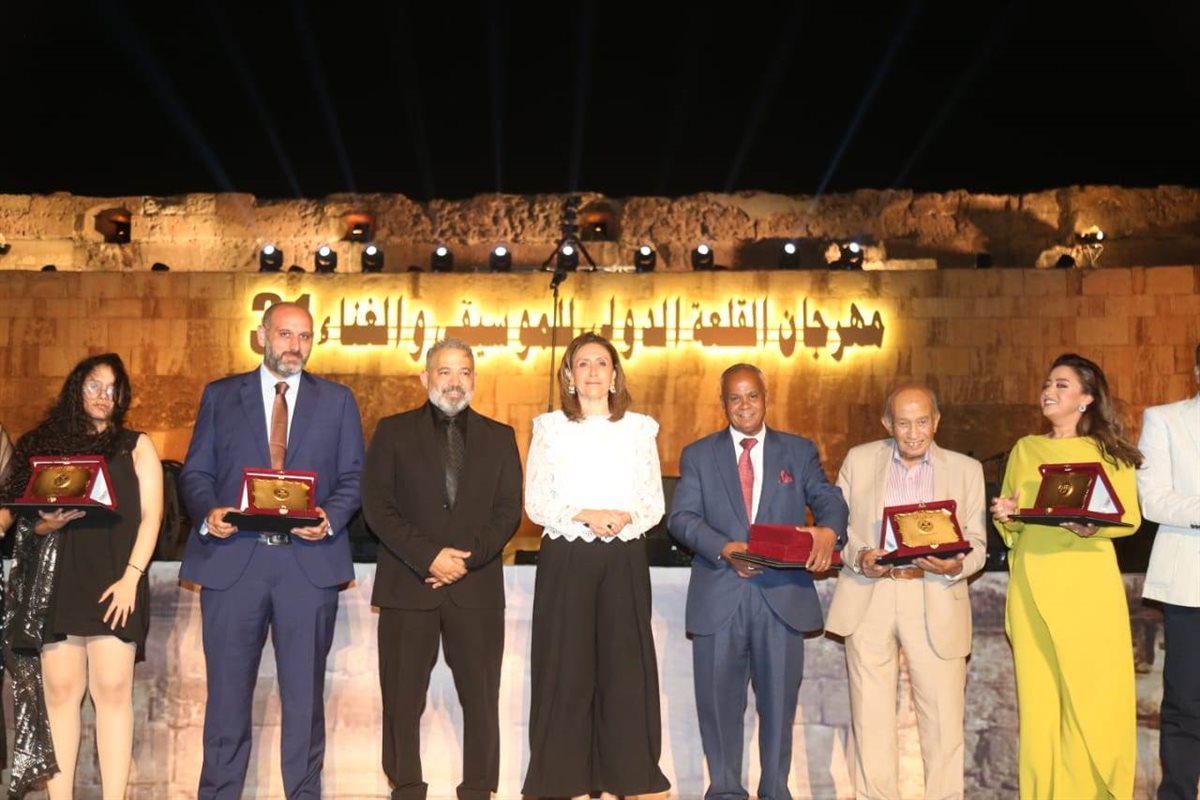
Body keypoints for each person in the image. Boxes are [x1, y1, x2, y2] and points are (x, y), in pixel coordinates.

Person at [178, 301, 364, 800]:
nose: (294, 346)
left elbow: (352, 477)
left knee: (304, 704)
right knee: (226, 703)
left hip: (306, 567)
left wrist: (329, 517)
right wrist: (208, 511)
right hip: (235, 562)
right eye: (285, 334)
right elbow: (196, 472)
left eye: (304, 336)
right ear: (261, 336)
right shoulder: (220, 396)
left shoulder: (338, 401)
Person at [668, 363, 848, 800]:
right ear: (723, 403)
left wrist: (828, 530)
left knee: (779, 708)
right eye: (735, 397)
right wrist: (724, 548)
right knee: (718, 709)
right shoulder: (699, 455)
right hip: (719, 596)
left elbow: (828, 498)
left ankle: (775, 790)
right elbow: (681, 518)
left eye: (752, 396)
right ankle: (724, 790)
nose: (744, 405)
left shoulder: (798, 451)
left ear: (766, 399)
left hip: (781, 599)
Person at [362, 338, 523, 800]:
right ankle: (407, 787)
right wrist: (429, 556)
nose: (455, 382)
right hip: (408, 585)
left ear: (475, 379)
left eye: (464, 372)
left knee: (482, 699)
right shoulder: (392, 432)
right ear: (425, 377)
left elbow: (508, 511)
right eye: (445, 372)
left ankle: (478, 789)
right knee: (401, 699)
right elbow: (377, 507)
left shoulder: (500, 437)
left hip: (477, 589)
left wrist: (464, 560)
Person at [0, 353, 163, 799]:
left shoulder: (136, 445)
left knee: (113, 692)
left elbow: (152, 518)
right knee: (60, 694)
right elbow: (20, 520)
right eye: (94, 386)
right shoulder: (42, 445)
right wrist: (43, 526)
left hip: (116, 582)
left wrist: (131, 579)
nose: (103, 396)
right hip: (58, 583)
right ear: (76, 388)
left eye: (113, 389)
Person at [521, 332, 671, 800]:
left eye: (601, 363)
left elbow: (653, 502)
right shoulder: (549, 428)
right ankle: (561, 780)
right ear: (568, 375)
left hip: (624, 554)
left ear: (614, 375)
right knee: (565, 670)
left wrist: (623, 517)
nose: (592, 371)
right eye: (582, 363)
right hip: (568, 555)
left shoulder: (640, 429)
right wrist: (586, 514)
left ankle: (630, 777)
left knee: (625, 670)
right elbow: (536, 501)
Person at [990, 352, 1142, 800]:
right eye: (1046, 383)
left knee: (1091, 697)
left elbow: (1129, 519)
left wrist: (1093, 526)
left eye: (1061, 385)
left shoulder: (1110, 453)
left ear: (1086, 398)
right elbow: (1013, 526)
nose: (1049, 391)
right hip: (1033, 586)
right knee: (1040, 704)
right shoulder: (1024, 449)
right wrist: (1006, 514)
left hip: (1088, 588)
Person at [824, 384, 987, 800]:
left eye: (922, 422)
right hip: (871, 593)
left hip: (936, 593)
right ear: (887, 424)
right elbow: (838, 530)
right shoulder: (859, 460)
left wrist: (956, 565)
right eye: (903, 423)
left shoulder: (966, 469)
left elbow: (977, 543)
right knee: (870, 720)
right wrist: (860, 556)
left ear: (937, 421)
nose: (913, 433)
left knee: (943, 724)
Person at [1137, 343, 1200, 800]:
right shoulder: (1164, 419)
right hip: (1189, 582)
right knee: (1185, 703)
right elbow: (1153, 500)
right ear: (1197, 369)